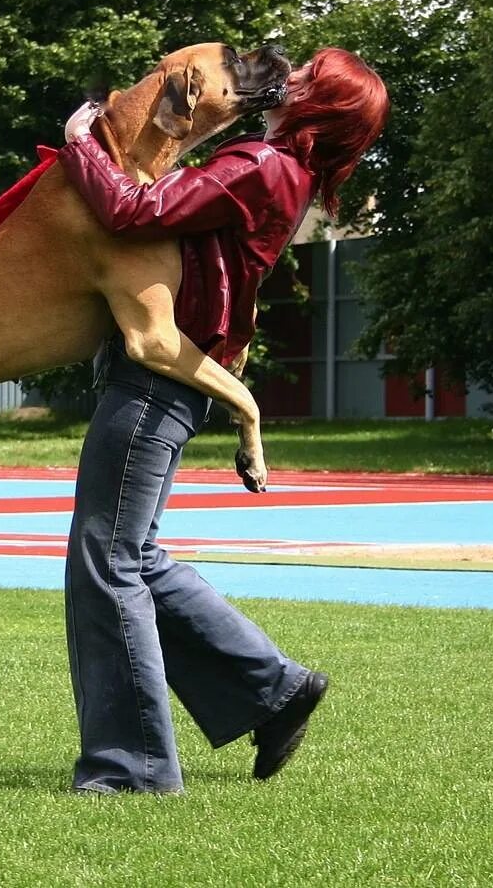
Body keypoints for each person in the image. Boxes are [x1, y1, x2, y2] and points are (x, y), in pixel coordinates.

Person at [58, 47, 390, 794]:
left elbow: (132, 211)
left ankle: (133, 769)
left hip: (157, 381)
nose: (291, 75)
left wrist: (82, 143)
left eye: (308, 76)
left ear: (319, 106)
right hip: (176, 378)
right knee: (132, 555)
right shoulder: (280, 171)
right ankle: (273, 691)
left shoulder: (261, 166)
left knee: (107, 560)